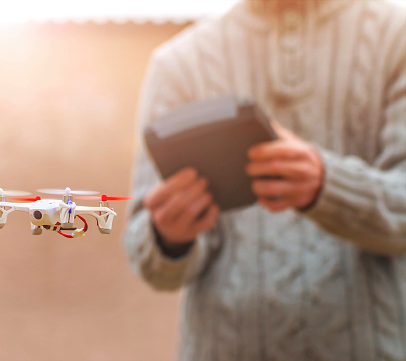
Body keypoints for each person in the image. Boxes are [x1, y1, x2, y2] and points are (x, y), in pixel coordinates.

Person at [124, 0, 406, 360]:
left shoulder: (398, 37)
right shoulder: (179, 63)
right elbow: (148, 259)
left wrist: (329, 185)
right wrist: (168, 239)